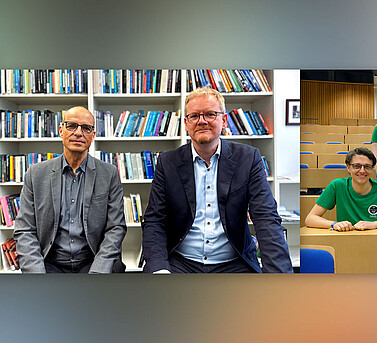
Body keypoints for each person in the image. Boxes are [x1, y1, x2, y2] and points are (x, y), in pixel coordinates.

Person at [142, 87, 292, 273]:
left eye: (210, 114)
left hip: (234, 262)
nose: (202, 121)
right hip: (181, 262)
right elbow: (155, 220)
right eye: (194, 116)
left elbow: (266, 217)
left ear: (224, 119)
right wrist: (159, 268)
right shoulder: (167, 162)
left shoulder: (248, 158)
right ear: (186, 123)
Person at [14, 106, 126, 273]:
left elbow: (116, 228)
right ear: (61, 130)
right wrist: (37, 275)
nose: (79, 133)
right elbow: (25, 230)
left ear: (93, 136)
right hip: (49, 263)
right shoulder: (35, 174)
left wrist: (98, 272)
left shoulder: (109, 174)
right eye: (72, 126)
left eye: (86, 128)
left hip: (93, 261)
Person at [305, 147, 377, 231]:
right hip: (345, 239)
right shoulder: (337, 185)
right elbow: (310, 218)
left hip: (376, 239)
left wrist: (374, 224)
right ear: (348, 167)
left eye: (367, 166)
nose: (362, 171)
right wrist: (334, 224)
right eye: (357, 166)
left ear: (372, 169)